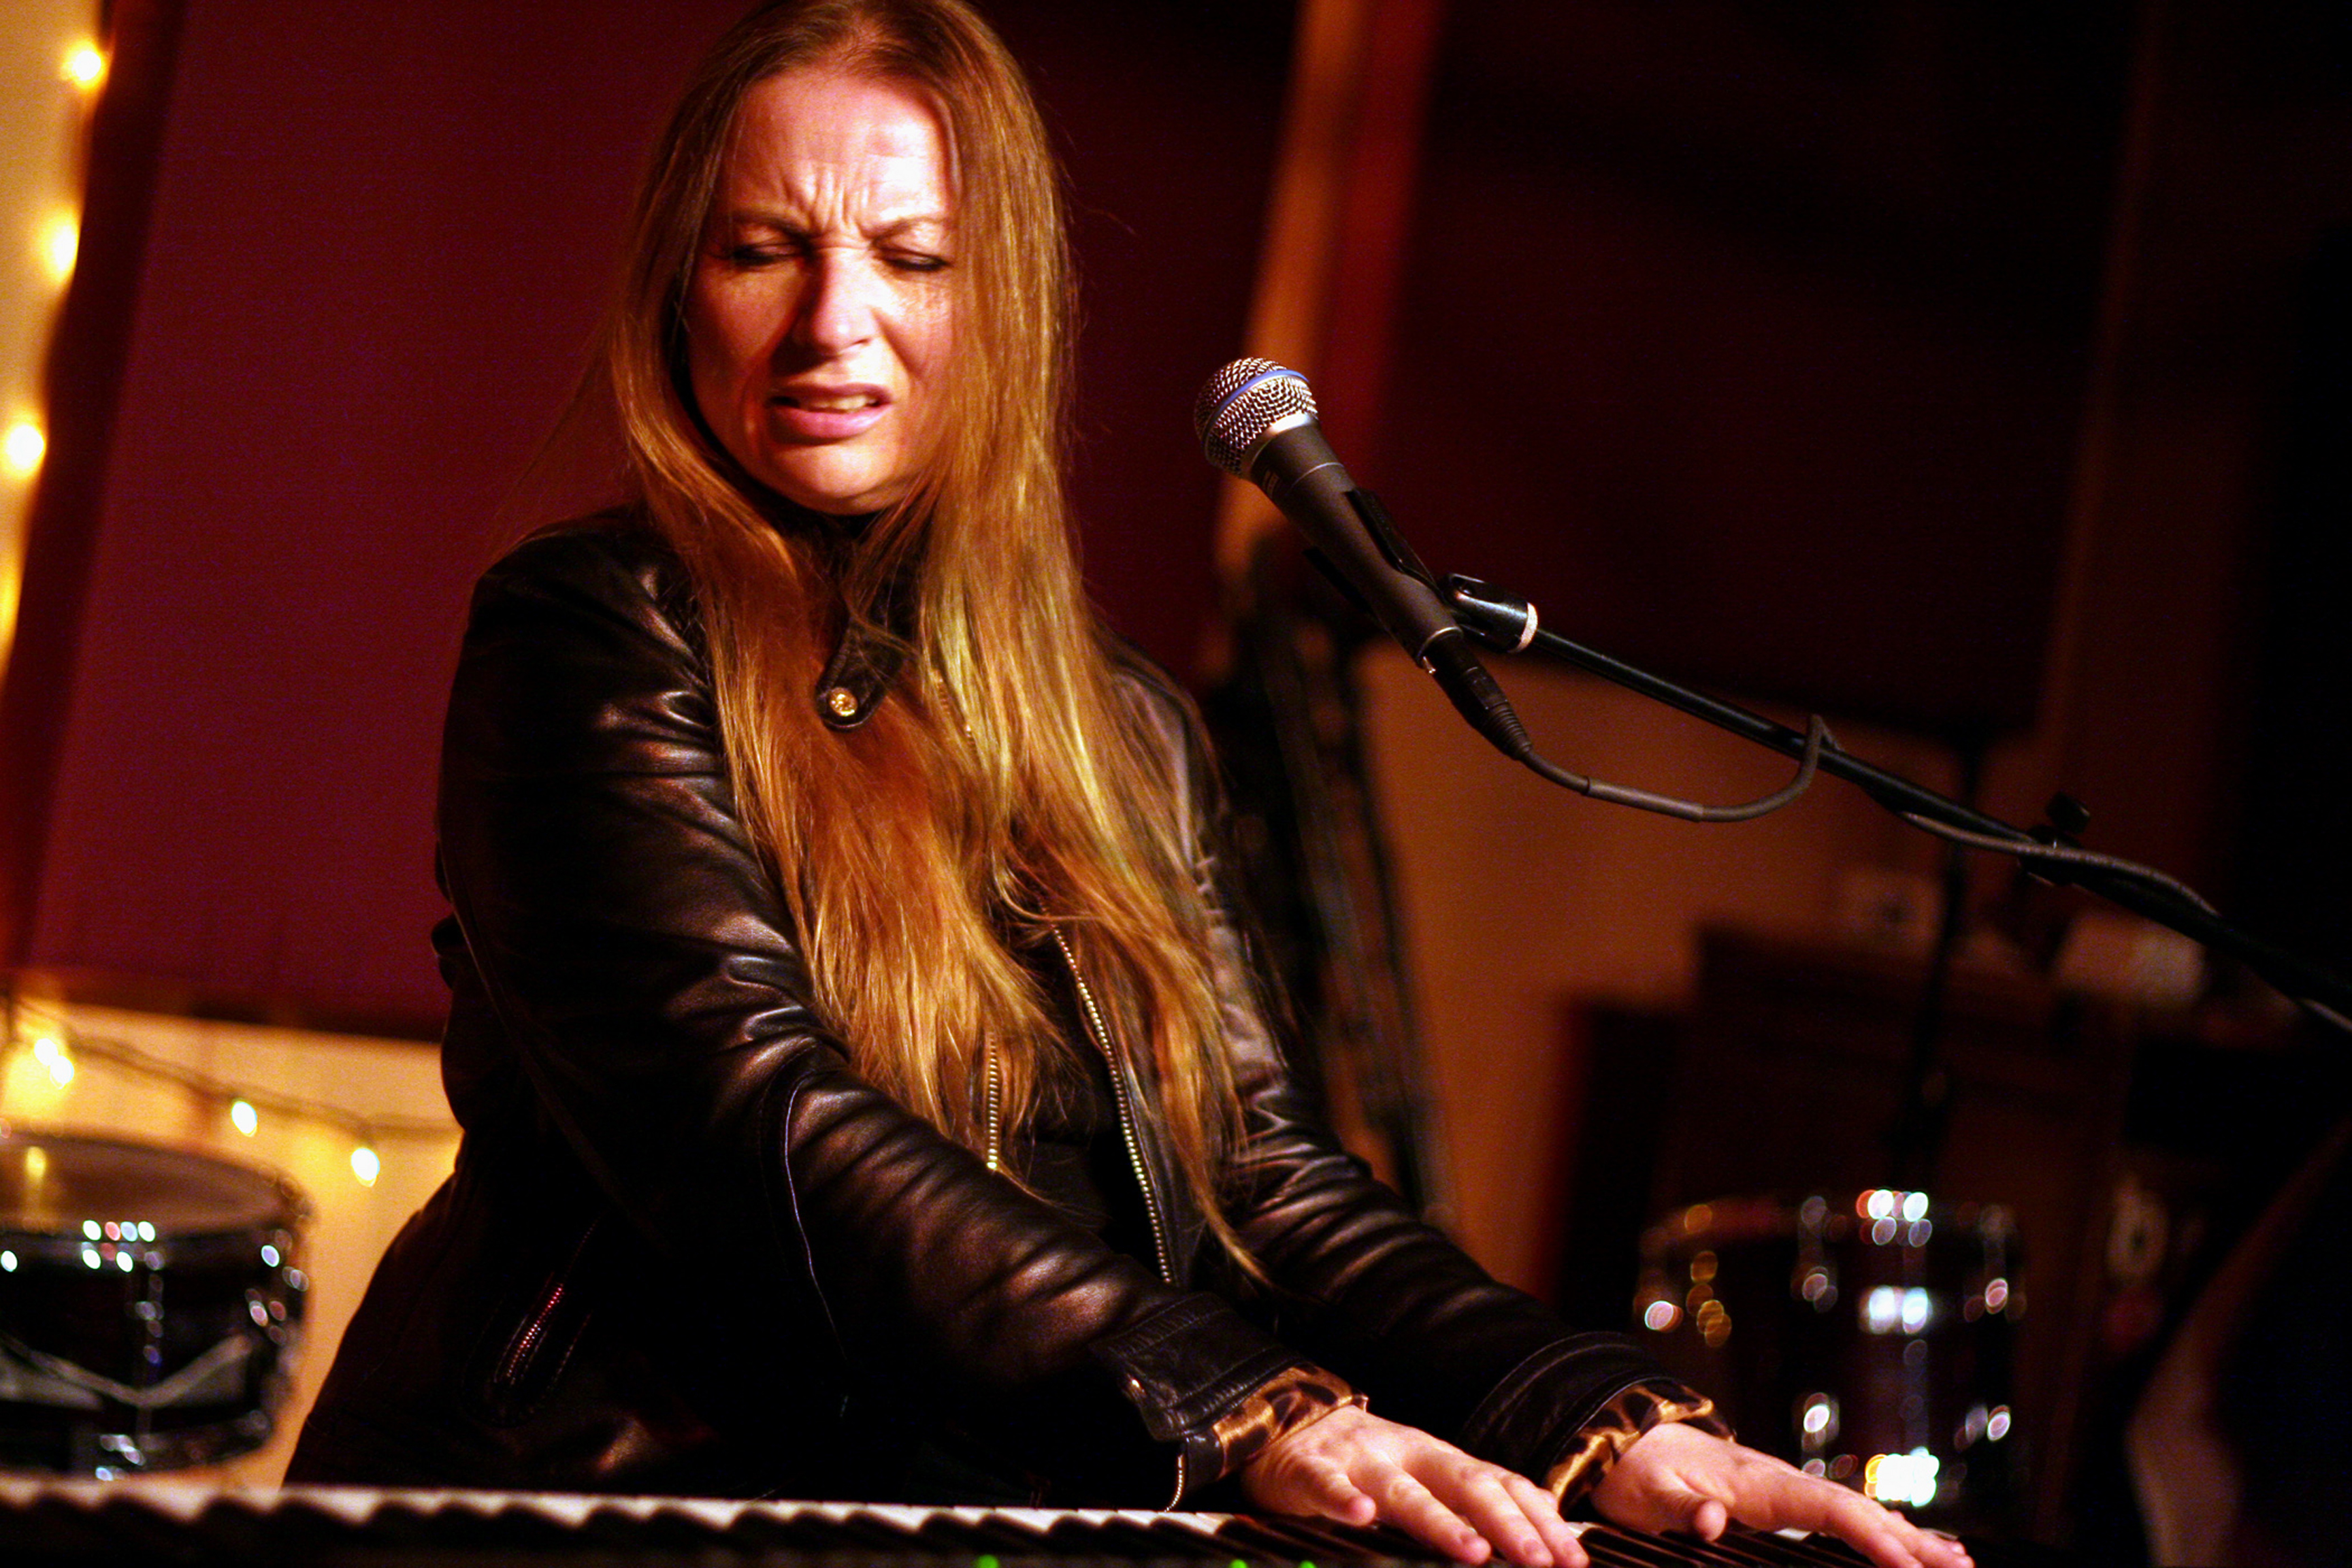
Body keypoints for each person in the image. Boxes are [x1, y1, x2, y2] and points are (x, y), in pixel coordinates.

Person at [289, 6, 1968, 1568]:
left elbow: (1266, 1179)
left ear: (1001, 303)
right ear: (683, 289)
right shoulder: (591, 630)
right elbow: (747, 1117)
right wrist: (1242, 1407)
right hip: (609, 1499)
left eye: (911, 258)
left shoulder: (1128, 731)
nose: (831, 321)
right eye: (763, 250)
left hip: (983, 1504)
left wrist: (1595, 1423)